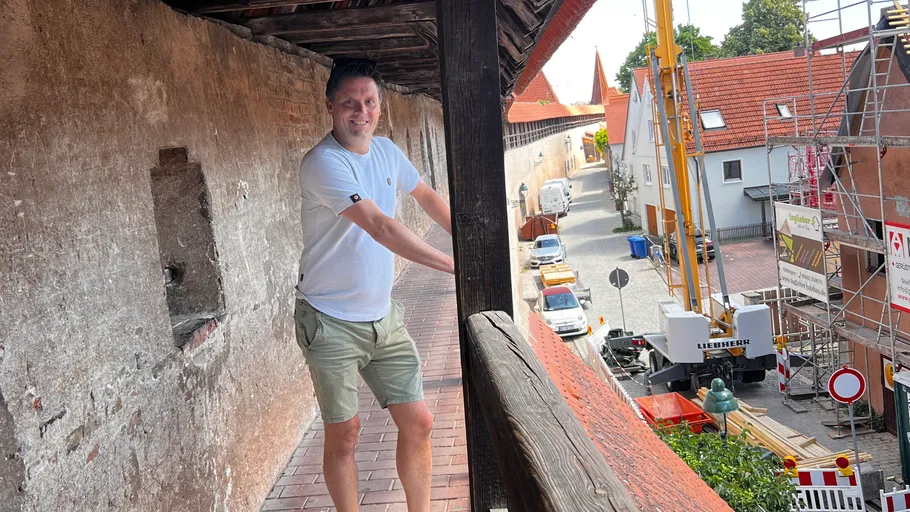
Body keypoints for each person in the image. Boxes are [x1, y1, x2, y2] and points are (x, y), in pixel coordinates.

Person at [294, 58, 455, 512]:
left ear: (380, 109)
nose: (360, 111)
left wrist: (468, 239)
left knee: (419, 421)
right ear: (330, 106)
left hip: (382, 317)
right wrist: (452, 264)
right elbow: (381, 227)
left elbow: (424, 195)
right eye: (349, 102)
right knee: (345, 436)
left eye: (368, 102)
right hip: (330, 320)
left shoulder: (385, 152)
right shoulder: (323, 163)